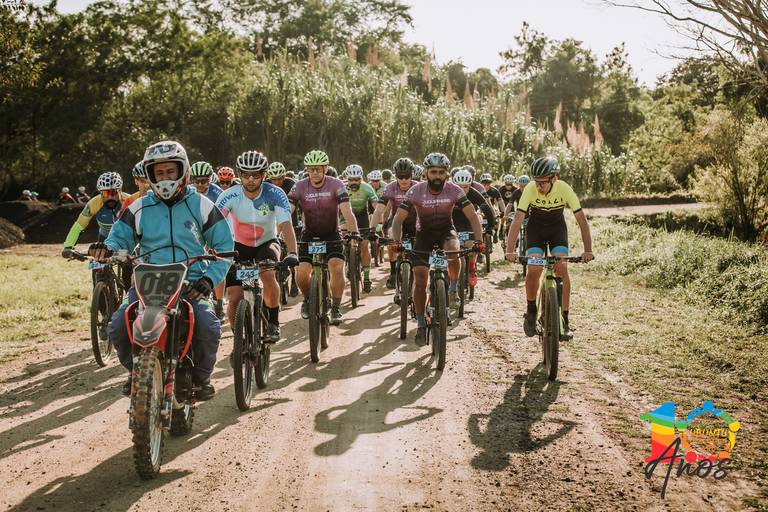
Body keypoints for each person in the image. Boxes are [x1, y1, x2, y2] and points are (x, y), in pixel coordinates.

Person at [93, 140, 233, 400]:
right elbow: (118, 238)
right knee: (118, 326)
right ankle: (137, 371)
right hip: (147, 283)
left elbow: (224, 247)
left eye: (170, 171)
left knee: (208, 325)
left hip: (191, 282)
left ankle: (201, 379)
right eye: (159, 173)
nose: (165, 178)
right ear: (150, 175)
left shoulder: (201, 205)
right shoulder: (138, 207)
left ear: (183, 171)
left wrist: (208, 280)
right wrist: (106, 248)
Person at [391, 153, 483, 346]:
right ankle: (420, 323)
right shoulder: (415, 191)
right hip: (423, 235)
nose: (437, 176)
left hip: (446, 232)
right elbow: (398, 219)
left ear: (447, 174)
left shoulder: (454, 190)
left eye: (441, 172)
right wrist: (397, 241)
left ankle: (453, 289)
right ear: (426, 174)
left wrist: (479, 240)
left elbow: (473, 216)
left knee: (453, 251)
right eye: (433, 172)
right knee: (420, 280)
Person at [505, 156, 594, 341]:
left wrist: (588, 250)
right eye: (536, 181)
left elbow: (581, 220)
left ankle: (564, 320)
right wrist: (510, 250)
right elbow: (518, 219)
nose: (538, 186)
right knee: (534, 268)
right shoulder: (530, 189)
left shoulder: (564, 188)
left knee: (562, 268)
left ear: (554, 178)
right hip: (535, 230)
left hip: (557, 230)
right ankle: (531, 309)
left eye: (542, 182)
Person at [217, 150, 298, 343]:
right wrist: (208, 250)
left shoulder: (275, 194)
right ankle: (239, 342)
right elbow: (213, 224)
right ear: (239, 175)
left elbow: (286, 224)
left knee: (267, 275)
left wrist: (293, 252)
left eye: (256, 174)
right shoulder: (229, 195)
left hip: (266, 243)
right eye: (246, 175)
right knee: (234, 297)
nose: (251, 179)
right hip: (238, 246)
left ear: (264, 174)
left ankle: (273, 323)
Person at [289, 150, 358, 325]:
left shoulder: (336, 184)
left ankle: (335, 307)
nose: (314, 172)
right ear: (307, 170)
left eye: (318, 169)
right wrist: (279, 231)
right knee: (301, 273)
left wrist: (354, 233)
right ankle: (308, 299)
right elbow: (288, 210)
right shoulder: (299, 186)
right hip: (309, 235)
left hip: (331, 234)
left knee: (336, 267)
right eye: (311, 169)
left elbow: (347, 211)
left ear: (325, 169)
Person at [370, 157, 418, 291]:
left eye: (407, 176)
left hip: (415, 221)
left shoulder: (419, 187)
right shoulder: (390, 188)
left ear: (412, 174)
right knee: (391, 240)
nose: (403, 180)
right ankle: (392, 272)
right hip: (397, 221)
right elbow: (379, 209)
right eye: (400, 176)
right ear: (395, 175)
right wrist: (372, 229)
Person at [190, 161, 226, 318]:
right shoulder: (188, 192)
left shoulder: (218, 194)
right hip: (195, 231)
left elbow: (223, 221)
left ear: (210, 179)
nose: (200, 185)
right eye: (196, 181)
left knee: (217, 259)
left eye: (204, 181)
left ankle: (219, 303)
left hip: (213, 229)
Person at [63, 172, 130, 252]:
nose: (109, 197)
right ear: (100, 193)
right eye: (106, 193)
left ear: (120, 191)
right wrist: (68, 246)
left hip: (127, 239)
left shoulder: (130, 200)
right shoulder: (94, 203)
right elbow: (79, 225)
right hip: (104, 239)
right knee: (99, 259)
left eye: (113, 193)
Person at [452, 169, 496, 289]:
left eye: (465, 187)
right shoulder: (448, 192)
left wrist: (490, 226)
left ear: (470, 185)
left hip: (469, 223)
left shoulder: (474, 193)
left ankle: (472, 266)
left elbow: (487, 210)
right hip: (452, 223)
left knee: (472, 248)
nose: (462, 190)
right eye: (459, 187)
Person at [343, 164, 378, 292]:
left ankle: (367, 278)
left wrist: (379, 221)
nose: (353, 182)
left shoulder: (367, 188)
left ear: (361, 178)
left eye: (357, 179)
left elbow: (376, 205)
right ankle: (348, 260)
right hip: (345, 216)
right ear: (346, 179)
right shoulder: (342, 188)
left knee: (364, 247)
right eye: (351, 179)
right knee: (344, 240)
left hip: (362, 217)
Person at [267, 161, 300, 297]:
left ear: (284, 176)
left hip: (289, 217)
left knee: (292, 249)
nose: (276, 182)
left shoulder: (291, 184)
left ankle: (294, 280)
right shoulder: (266, 185)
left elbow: (298, 204)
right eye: (273, 179)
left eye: (279, 179)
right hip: (272, 218)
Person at [479, 173, 504, 242]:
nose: (486, 186)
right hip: (480, 207)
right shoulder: (477, 190)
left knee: (496, 212)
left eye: (488, 183)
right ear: (481, 183)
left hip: (491, 207)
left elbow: (500, 201)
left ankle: (495, 232)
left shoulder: (494, 190)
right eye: (484, 184)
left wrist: (503, 212)